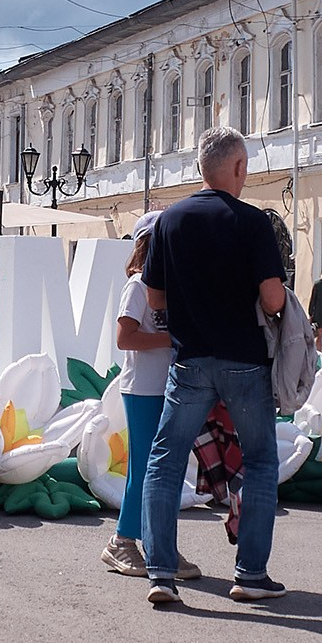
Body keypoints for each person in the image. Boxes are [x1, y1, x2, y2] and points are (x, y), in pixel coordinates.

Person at [140, 127, 290, 605]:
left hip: (189, 359)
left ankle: (161, 573)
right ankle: (250, 574)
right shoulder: (253, 223)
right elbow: (271, 297)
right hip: (244, 360)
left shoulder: (170, 221)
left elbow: (154, 296)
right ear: (239, 168)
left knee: (164, 459)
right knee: (262, 460)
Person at [100, 214, 202, 583]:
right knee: (145, 468)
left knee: (167, 468)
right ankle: (121, 542)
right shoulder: (137, 286)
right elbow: (124, 338)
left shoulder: (171, 286)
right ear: (152, 246)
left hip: (172, 387)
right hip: (143, 389)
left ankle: (162, 547)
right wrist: (172, 338)